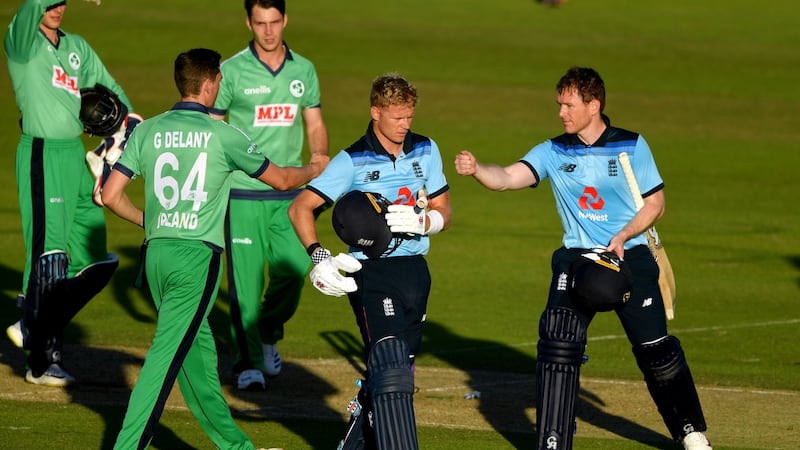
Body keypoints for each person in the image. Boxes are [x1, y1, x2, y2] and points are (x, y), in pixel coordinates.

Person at [454, 66, 712, 450]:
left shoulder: (631, 145)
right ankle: (553, 440)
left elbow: (656, 204)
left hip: (630, 256)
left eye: (569, 105)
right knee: (558, 344)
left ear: (594, 105)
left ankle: (691, 431)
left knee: (657, 353)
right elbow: (507, 177)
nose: (561, 113)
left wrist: (623, 234)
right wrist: (477, 171)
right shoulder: (553, 150)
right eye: (559, 104)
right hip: (578, 259)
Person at [100, 47, 328, 450]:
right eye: (219, 80)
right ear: (208, 85)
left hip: (156, 255)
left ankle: (235, 447)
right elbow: (281, 180)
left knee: (199, 362)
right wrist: (316, 169)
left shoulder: (148, 130)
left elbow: (112, 194)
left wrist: (151, 222)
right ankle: (127, 445)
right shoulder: (224, 134)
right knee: (164, 359)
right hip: (196, 258)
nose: (221, 85)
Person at [289, 72, 452, 449]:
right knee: (391, 369)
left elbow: (445, 208)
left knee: (394, 375)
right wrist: (320, 257)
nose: (405, 125)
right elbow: (301, 208)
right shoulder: (352, 161)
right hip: (372, 275)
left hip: (416, 272)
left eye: (409, 116)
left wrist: (427, 220)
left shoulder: (426, 149)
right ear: (375, 112)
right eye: (397, 117)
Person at [4, 0, 138, 387]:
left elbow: (114, 92)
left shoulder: (76, 46)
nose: (58, 7)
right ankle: (43, 361)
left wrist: (127, 127)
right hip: (42, 152)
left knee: (96, 260)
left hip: (75, 160)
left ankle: (33, 322)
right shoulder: (22, 42)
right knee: (50, 255)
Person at [209, 0, 329, 391]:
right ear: (249, 22)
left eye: (274, 22)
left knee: (295, 270)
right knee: (243, 284)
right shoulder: (231, 70)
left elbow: (314, 123)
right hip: (243, 193)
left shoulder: (303, 69)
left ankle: (267, 333)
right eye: (260, 23)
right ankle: (246, 363)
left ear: (285, 20)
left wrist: (320, 157)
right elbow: (214, 127)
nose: (268, 31)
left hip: (290, 195)